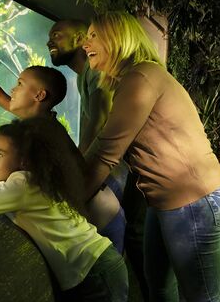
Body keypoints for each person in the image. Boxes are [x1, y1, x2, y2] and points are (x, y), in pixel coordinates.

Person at [82, 11, 220, 302]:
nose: (84, 43)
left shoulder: (141, 77)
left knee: (202, 296)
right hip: (165, 202)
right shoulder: (133, 79)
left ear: (117, 38)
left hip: (195, 203)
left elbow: (105, 153)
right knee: (159, 287)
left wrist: (66, 201)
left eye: (93, 35)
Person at [0, 31, 125, 254]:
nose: (12, 90)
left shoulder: (44, 131)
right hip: (94, 210)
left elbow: (37, 176)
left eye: (20, 84)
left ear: (39, 96)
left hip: (101, 213)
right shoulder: (38, 120)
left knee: (107, 278)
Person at [0, 118, 128, 301]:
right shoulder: (35, 179)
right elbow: (6, 191)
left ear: (23, 160)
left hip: (95, 271)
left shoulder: (22, 185)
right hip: (96, 264)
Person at [47, 19, 148, 299]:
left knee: (136, 239)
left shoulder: (104, 74)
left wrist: (76, 175)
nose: (49, 42)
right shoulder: (87, 75)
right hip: (132, 170)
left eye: (56, 34)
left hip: (133, 170)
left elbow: (100, 126)